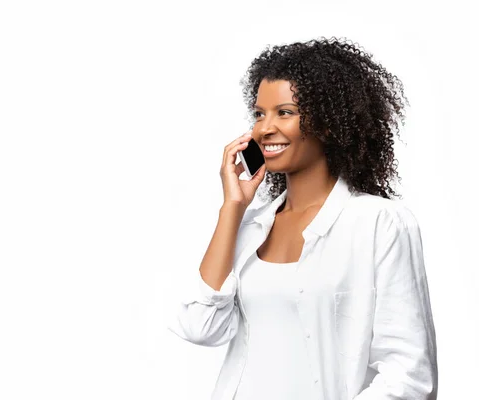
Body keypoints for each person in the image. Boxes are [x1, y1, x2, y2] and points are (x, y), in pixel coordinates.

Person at [167, 37, 438, 400]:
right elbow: (200, 327)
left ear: (327, 122)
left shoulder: (379, 223)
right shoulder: (251, 226)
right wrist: (232, 208)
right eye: (259, 113)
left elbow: (408, 374)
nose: (264, 129)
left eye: (285, 112)